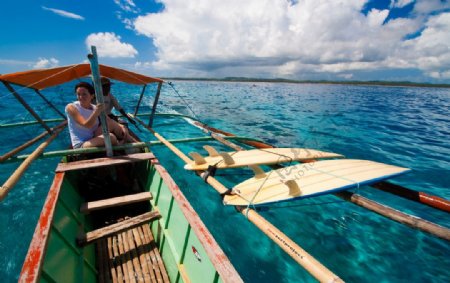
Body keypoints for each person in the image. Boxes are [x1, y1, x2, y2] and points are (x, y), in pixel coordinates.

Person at [66, 82, 135, 148]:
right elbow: (87, 125)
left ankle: (135, 143)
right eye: (78, 94)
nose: (81, 97)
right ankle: (119, 145)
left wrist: (122, 126)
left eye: (84, 94)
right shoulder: (71, 107)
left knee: (112, 123)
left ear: (92, 96)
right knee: (111, 137)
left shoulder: (94, 107)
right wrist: (96, 112)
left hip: (93, 137)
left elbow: (109, 120)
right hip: (82, 143)